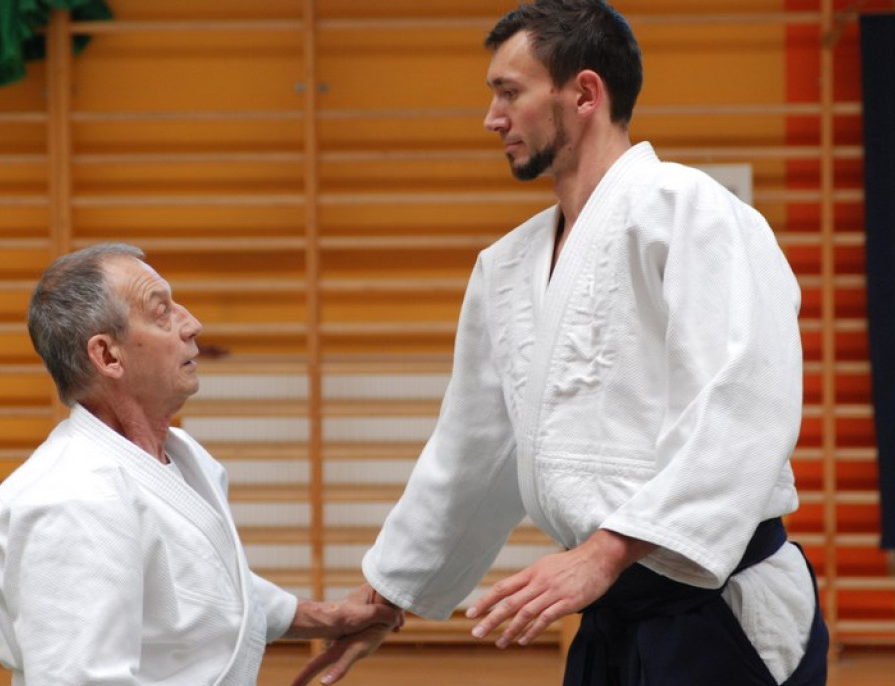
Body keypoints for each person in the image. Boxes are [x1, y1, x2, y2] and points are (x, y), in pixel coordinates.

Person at [293, 1, 829, 685]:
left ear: (583, 92)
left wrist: (606, 551)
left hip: (717, 605)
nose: (492, 117)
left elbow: (745, 406)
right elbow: (472, 455)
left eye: (508, 92)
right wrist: (384, 599)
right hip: (607, 608)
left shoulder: (693, 213)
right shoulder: (507, 267)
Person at [0, 243, 402, 685]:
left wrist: (325, 616)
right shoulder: (72, 499)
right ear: (108, 356)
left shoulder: (180, 454)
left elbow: (199, 586)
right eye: (161, 312)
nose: (192, 324)